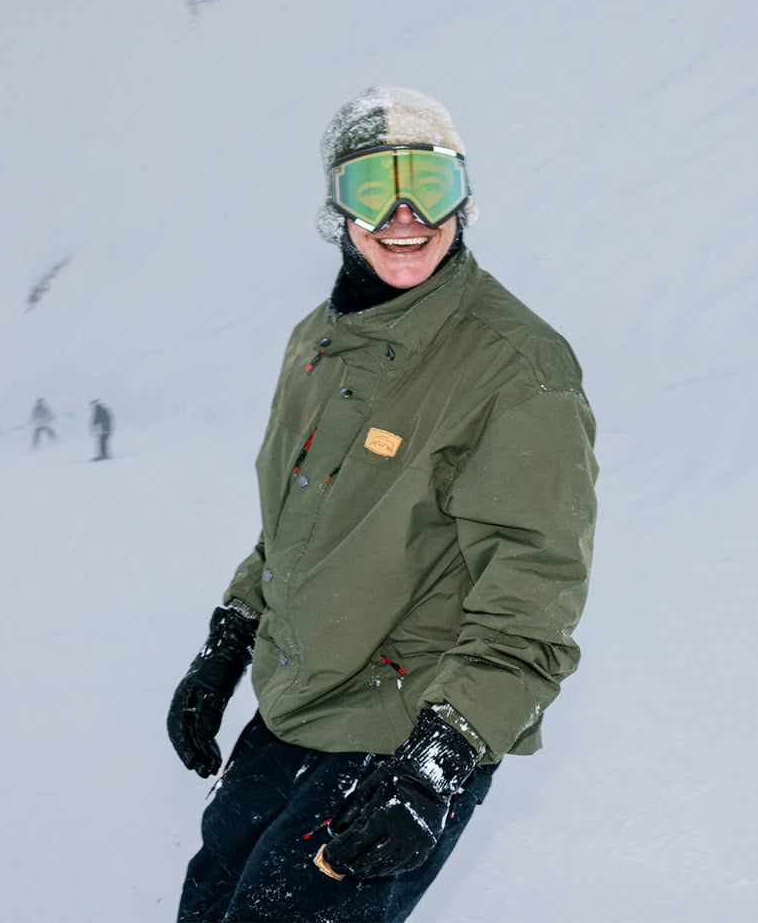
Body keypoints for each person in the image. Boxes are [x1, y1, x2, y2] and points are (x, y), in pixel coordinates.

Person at [167, 86, 598, 923]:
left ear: (463, 200)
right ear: (337, 206)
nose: (404, 217)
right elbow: (295, 525)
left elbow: (533, 597)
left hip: (404, 729)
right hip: (295, 708)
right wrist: (230, 636)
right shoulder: (316, 342)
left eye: (428, 187)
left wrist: (441, 759)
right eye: (373, 188)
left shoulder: (516, 366)